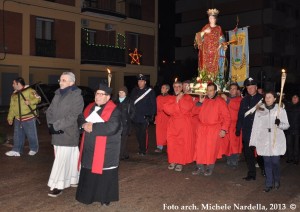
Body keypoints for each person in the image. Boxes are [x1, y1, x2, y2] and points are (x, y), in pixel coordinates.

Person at [76, 84, 122, 206]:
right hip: (89, 147)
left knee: (104, 174)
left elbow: (112, 127)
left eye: (102, 94)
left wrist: (92, 127)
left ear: (108, 97)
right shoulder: (89, 107)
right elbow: (81, 117)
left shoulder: (115, 110)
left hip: (106, 149)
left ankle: (104, 197)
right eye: (97, 93)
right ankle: (88, 196)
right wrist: (83, 125)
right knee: (89, 170)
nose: (98, 96)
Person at [46, 72, 84, 197]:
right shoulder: (58, 94)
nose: (60, 82)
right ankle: (74, 179)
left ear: (71, 82)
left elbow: (73, 116)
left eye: (63, 80)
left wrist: (56, 126)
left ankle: (58, 185)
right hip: (56, 131)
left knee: (61, 160)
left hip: (68, 132)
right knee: (71, 158)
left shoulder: (76, 96)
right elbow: (49, 111)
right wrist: (51, 125)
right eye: (60, 79)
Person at [249, 91, 289, 192]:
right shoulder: (260, 110)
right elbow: (255, 127)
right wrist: (253, 142)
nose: (267, 99)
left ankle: (277, 179)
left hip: (276, 140)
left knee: (275, 162)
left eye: (270, 97)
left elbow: (287, 125)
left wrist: (279, 124)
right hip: (264, 140)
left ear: (275, 99)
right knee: (267, 162)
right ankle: (268, 183)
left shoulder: (280, 110)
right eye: (266, 97)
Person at [192, 82, 230, 176]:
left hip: (213, 129)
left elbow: (227, 117)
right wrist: (199, 102)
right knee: (199, 148)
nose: (209, 92)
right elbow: (193, 112)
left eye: (211, 90)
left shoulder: (220, 101)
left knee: (211, 149)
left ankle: (209, 168)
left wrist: (224, 129)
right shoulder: (203, 100)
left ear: (215, 91)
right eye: (207, 90)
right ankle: (200, 167)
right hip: (202, 128)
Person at [236, 77, 264, 181]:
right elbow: (240, 115)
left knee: (260, 153)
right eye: (248, 88)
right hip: (247, 131)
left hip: (259, 131)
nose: (250, 89)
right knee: (248, 154)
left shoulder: (262, 99)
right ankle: (251, 174)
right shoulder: (244, 100)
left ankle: (264, 168)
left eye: (252, 87)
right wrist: (238, 128)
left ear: (256, 87)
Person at [5, 77, 41, 157]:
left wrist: (30, 102)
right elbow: (12, 107)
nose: (12, 85)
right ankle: (16, 150)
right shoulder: (14, 94)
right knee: (17, 135)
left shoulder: (29, 90)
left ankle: (34, 149)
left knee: (31, 134)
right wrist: (10, 117)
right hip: (18, 118)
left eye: (14, 83)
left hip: (29, 117)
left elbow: (38, 99)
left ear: (18, 84)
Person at [163, 81, 194, 172]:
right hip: (173, 124)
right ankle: (173, 161)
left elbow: (187, 108)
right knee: (172, 143)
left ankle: (180, 162)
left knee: (181, 143)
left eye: (179, 86)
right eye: (175, 86)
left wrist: (180, 100)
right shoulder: (171, 98)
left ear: (182, 88)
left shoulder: (187, 97)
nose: (177, 88)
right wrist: (176, 101)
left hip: (183, 124)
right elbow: (167, 109)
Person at [194, 8, 227, 77]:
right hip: (206, 51)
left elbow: (222, 38)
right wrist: (204, 32)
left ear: (215, 19)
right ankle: (205, 78)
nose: (210, 19)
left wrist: (221, 45)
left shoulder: (218, 28)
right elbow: (198, 37)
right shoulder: (206, 27)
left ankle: (215, 79)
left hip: (215, 51)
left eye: (212, 18)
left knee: (215, 66)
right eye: (209, 18)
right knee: (205, 66)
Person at [130, 74, 156, 155]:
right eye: (138, 81)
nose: (140, 82)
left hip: (145, 116)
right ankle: (140, 148)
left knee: (143, 134)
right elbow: (131, 103)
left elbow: (153, 104)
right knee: (138, 134)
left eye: (141, 81)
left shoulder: (150, 91)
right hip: (136, 116)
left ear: (145, 82)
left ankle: (144, 150)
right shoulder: (135, 90)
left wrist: (152, 115)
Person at [224, 83, 243, 168]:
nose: (232, 90)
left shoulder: (240, 100)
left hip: (235, 125)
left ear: (237, 90)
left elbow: (237, 107)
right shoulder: (226, 99)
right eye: (231, 88)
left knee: (235, 144)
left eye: (234, 88)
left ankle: (234, 161)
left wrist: (228, 101)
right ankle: (228, 159)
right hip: (226, 124)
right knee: (227, 143)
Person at [114, 86, 133, 160]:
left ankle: (120, 156)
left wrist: (128, 118)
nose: (120, 93)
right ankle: (125, 154)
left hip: (125, 124)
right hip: (117, 124)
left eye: (122, 92)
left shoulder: (129, 101)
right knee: (119, 139)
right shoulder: (116, 101)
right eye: (119, 92)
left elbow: (133, 111)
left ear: (125, 93)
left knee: (123, 140)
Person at [154, 84, 171, 153]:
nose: (161, 89)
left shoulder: (171, 97)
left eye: (163, 88)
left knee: (167, 132)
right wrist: (155, 118)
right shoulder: (158, 97)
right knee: (159, 132)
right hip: (159, 116)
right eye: (161, 87)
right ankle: (159, 147)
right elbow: (156, 108)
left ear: (167, 89)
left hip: (167, 117)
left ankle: (169, 147)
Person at [285, 94, 300, 164]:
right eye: (293, 97)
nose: (294, 98)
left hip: (297, 129)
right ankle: (289, 158)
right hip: (289, 129)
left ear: (298, 99)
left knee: (296, 145)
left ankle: (296, 159)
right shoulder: (288, 106)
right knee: (289, 144)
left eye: (296, 97)